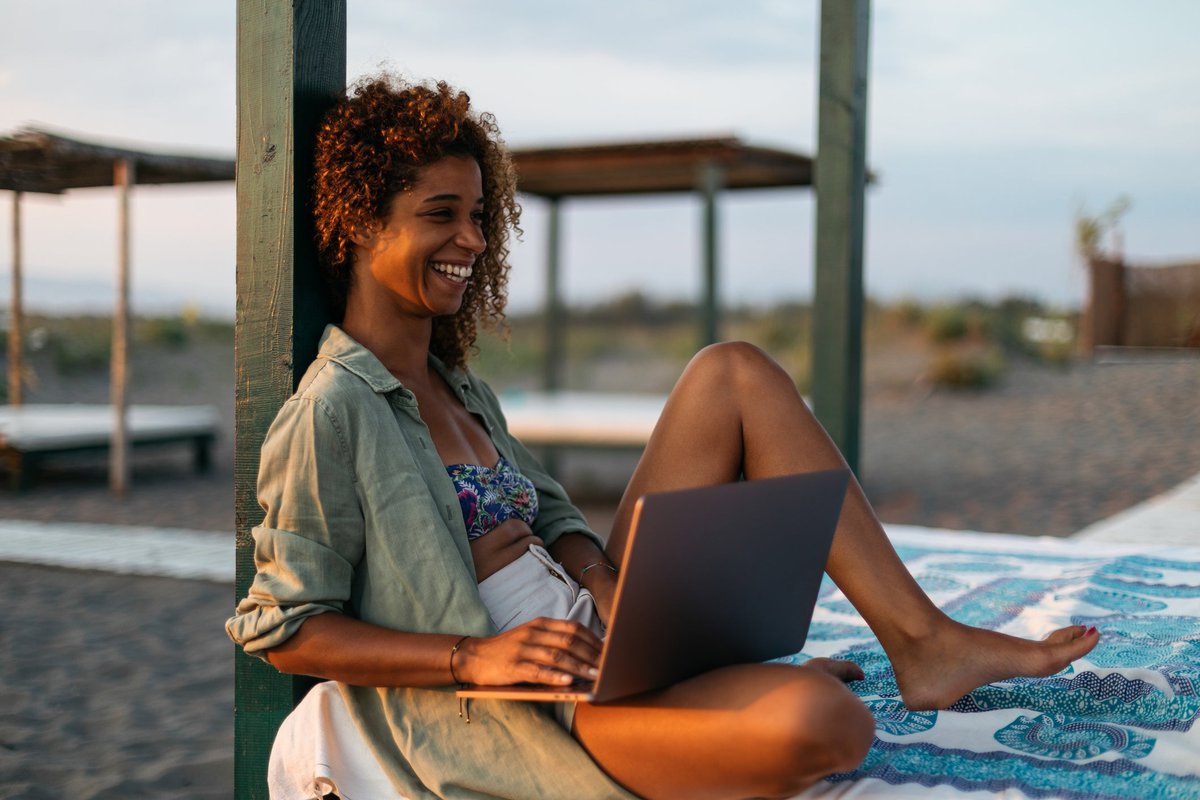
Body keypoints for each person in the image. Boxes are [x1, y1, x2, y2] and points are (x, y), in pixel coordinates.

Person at [227, 74, 1099, 800]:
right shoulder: (332, 409)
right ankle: (729, 686)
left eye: (481, 215)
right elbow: (286, 627)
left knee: (734, 372)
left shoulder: (457, 384)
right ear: (359, 223)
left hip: (617, 635)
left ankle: (922, 640)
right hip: (551, 701)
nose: (473, 239)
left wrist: (610, 585)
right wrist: (474, 659)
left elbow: (557, 515)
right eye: (441, 214)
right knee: (828, 724)